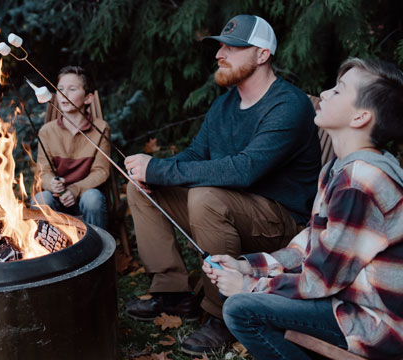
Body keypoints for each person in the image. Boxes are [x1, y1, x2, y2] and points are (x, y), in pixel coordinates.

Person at [123, 14, 322, 354]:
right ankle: (173, 292)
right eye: (220, 47)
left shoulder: (288, 104)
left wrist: (160, 170)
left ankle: (222, 315)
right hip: (229, 210)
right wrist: (151, 171)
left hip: (281, 224)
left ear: (262, 54)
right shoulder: (224, 103)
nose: (219, 54)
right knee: (142, 190)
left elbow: (245, 170)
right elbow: (197, 154)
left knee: (205, 197)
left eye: (233, 47)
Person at [206, 58, 403, 359]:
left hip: (375, 323)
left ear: (361, 116)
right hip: (344, 303)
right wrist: (249, 266)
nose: (324, 94)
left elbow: (320, 280)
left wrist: (249, 285)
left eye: (338, 91)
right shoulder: (336, 169)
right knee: (246, 301)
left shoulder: (361, 181)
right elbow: (310, 243)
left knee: (241, 308)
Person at [33, 66, 110, 229]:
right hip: (57, 198)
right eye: (60, 89)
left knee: (93, 199)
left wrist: (75, 189)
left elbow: (101, 171)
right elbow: (43, 172)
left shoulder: (100, 128)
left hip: (85, 195)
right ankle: (52, 251)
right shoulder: (47, 131)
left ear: (88, 98)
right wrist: (51, 183)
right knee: (41, 199)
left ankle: (97, 249)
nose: (63, 94)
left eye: (72, 89)